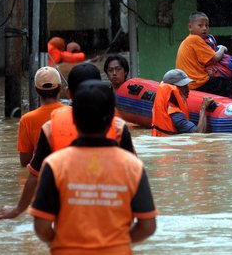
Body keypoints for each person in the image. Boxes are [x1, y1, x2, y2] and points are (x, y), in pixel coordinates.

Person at [29, 80, 157, 254]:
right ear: (113, 117)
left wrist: (64, 243)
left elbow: (41, 226)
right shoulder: (132, 166)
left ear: (73, 118)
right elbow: (147, 226)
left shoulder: (54, 164)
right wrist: (116, 243)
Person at [0, 63, 136, 222]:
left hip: (68, 213)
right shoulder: (119, 125)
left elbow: (34, 174)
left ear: (68, 93)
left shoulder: (51, 126)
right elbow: (135, 173)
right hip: (110, 212)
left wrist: (18, 209)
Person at [175, 11, 232, 100]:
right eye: (200, 25)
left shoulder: (187, 41)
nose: (204, 28)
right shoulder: (195, 39)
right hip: (198, 82)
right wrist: (222, 48)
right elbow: (216, 57)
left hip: (188, 82)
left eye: (207, 25)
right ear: (190, 27)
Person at [17, 66, 65, 167]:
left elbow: (25, 161)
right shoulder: (74, 113)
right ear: (60, 87)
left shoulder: (27, 119)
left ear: (36, 90)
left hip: (43, 173)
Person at [151, 69, 214, 136]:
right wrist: (203, 109)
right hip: (169, 145)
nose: (187, 89)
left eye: (186, 85)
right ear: (173, 87)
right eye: (183, 86)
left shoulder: (169, 104)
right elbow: (199, 134)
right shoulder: (174, 112)